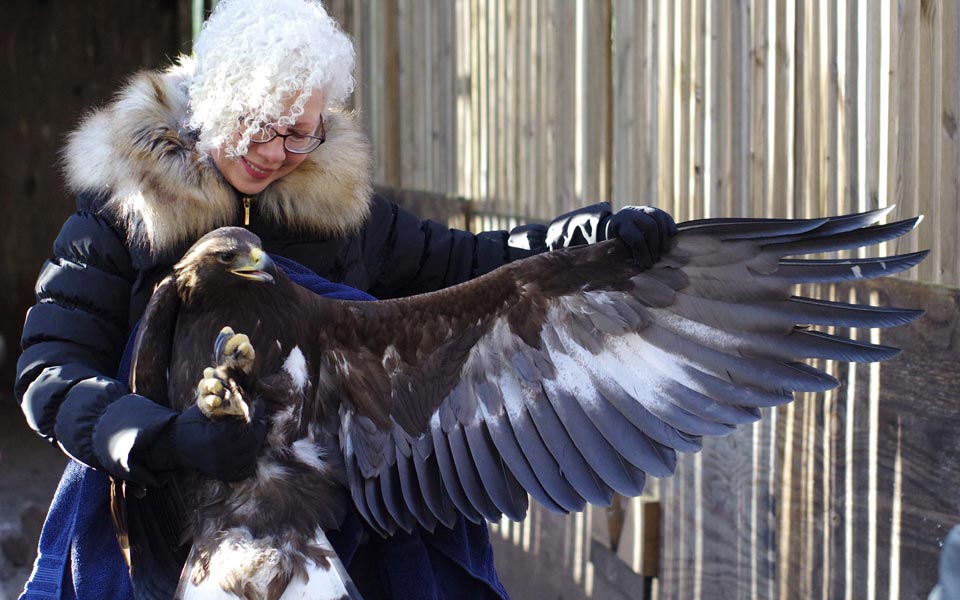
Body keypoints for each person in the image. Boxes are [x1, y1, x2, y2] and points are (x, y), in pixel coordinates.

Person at [14, 0, 676, 598]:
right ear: (212, 101)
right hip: (164, 516)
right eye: (259, 126)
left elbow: (469, 265)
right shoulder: (120, 215)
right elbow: (50, 374)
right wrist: (162, 439)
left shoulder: (342, 216)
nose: (276, 152)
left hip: (328, 512)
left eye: (300, 133)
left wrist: (581, 239)